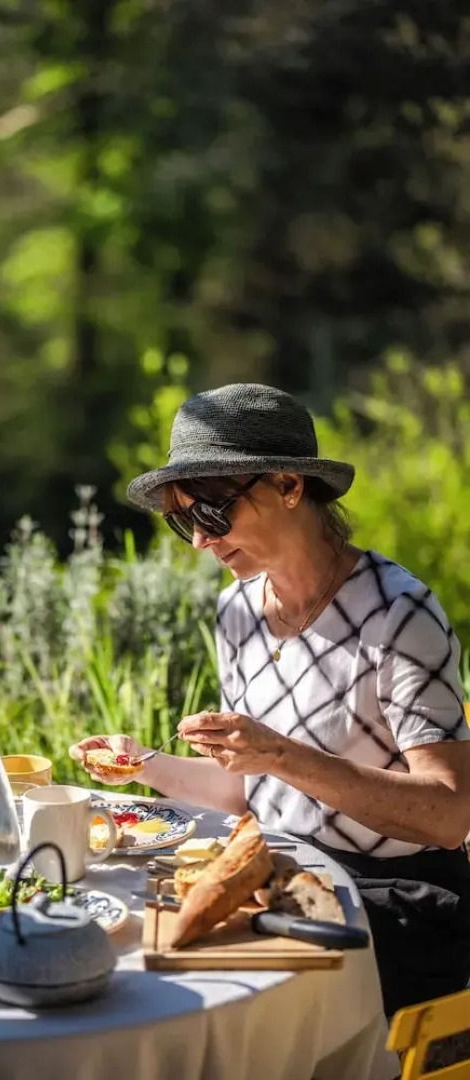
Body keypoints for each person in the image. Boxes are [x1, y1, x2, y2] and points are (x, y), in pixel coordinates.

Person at [69, 382, 470, 1018]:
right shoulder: (237, 610)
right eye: (183, 521)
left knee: (191, 998)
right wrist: (142, 762)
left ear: (288, 485)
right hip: (278, 878)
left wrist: (281, 755)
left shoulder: (399, 614)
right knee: (122, 941)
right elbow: (248, 792)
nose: (200, 541)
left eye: (211, 513)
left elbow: (449, 815)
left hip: (392, 906)